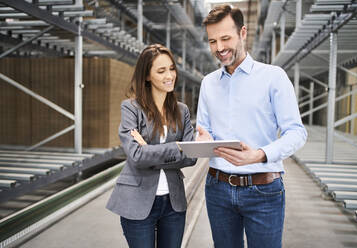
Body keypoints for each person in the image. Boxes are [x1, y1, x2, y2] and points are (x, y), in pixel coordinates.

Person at [196, 5, 307, 248]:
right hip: (217, 188)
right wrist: (201, 141)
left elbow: (297, 133)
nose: (219, 48)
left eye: (226, 38)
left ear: (243, 32)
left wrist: (259, 154)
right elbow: (205, 130)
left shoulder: (273, 77)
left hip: (263, 189)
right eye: (213, 41)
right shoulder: (208, 84)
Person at [106, 44, 197, 248]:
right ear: (147, 76)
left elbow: (191, 157)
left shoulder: (181, 111)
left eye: (172, 68)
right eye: (161, 70)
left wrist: (150, 151)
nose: (169, 75)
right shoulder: (131, 108)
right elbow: (137, 157)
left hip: (173, 203)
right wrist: (178, 148)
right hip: (137, 201)